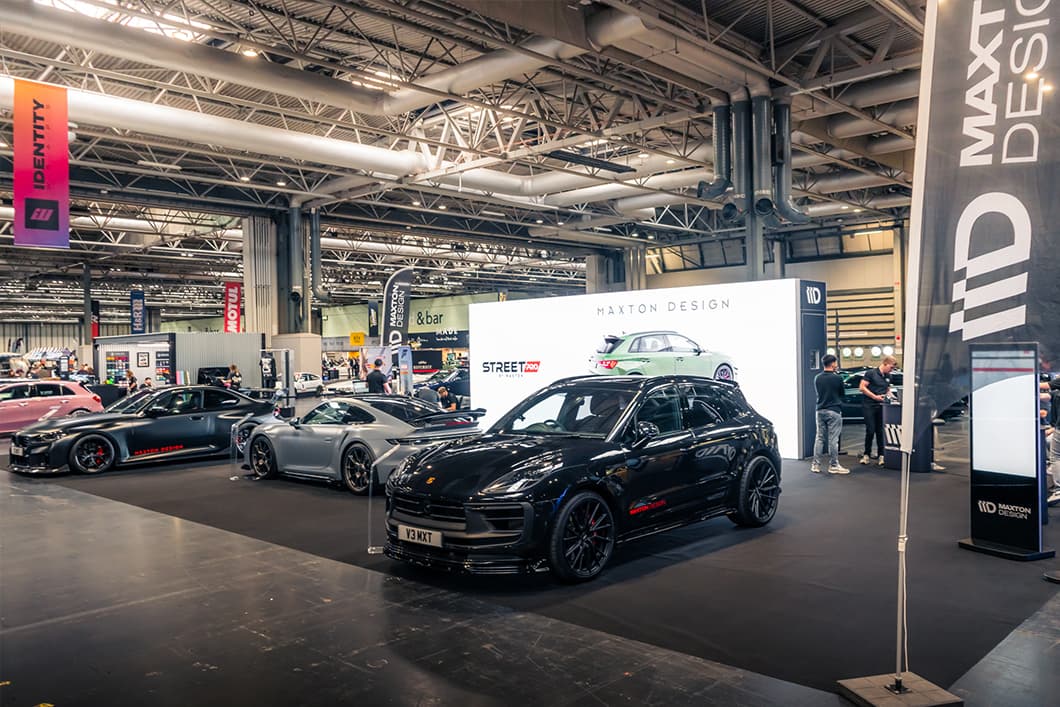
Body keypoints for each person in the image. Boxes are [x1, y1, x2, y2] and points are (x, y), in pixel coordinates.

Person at [811, 354, 848, 474]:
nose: (836, 365)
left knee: (819, 438)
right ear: (832, 364)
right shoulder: (837, 378)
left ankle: (815, 465)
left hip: (820, 410)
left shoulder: (817, 378)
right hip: (834, 410)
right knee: (833, 439)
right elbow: (842, 394)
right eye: (835, 363)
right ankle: (833, 465)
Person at [859, 355, 896, 466]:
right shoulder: (871, 373)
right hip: (869, 406)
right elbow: (862, 387)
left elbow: (888, 390)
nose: (891, 370)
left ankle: (881, 455)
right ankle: (866, 455)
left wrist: (894, 398)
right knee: (870, 430)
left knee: (880, 431)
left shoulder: (888, 376)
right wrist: (874, 397)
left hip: (882, 406)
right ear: (885, 364)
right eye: (891, 367)